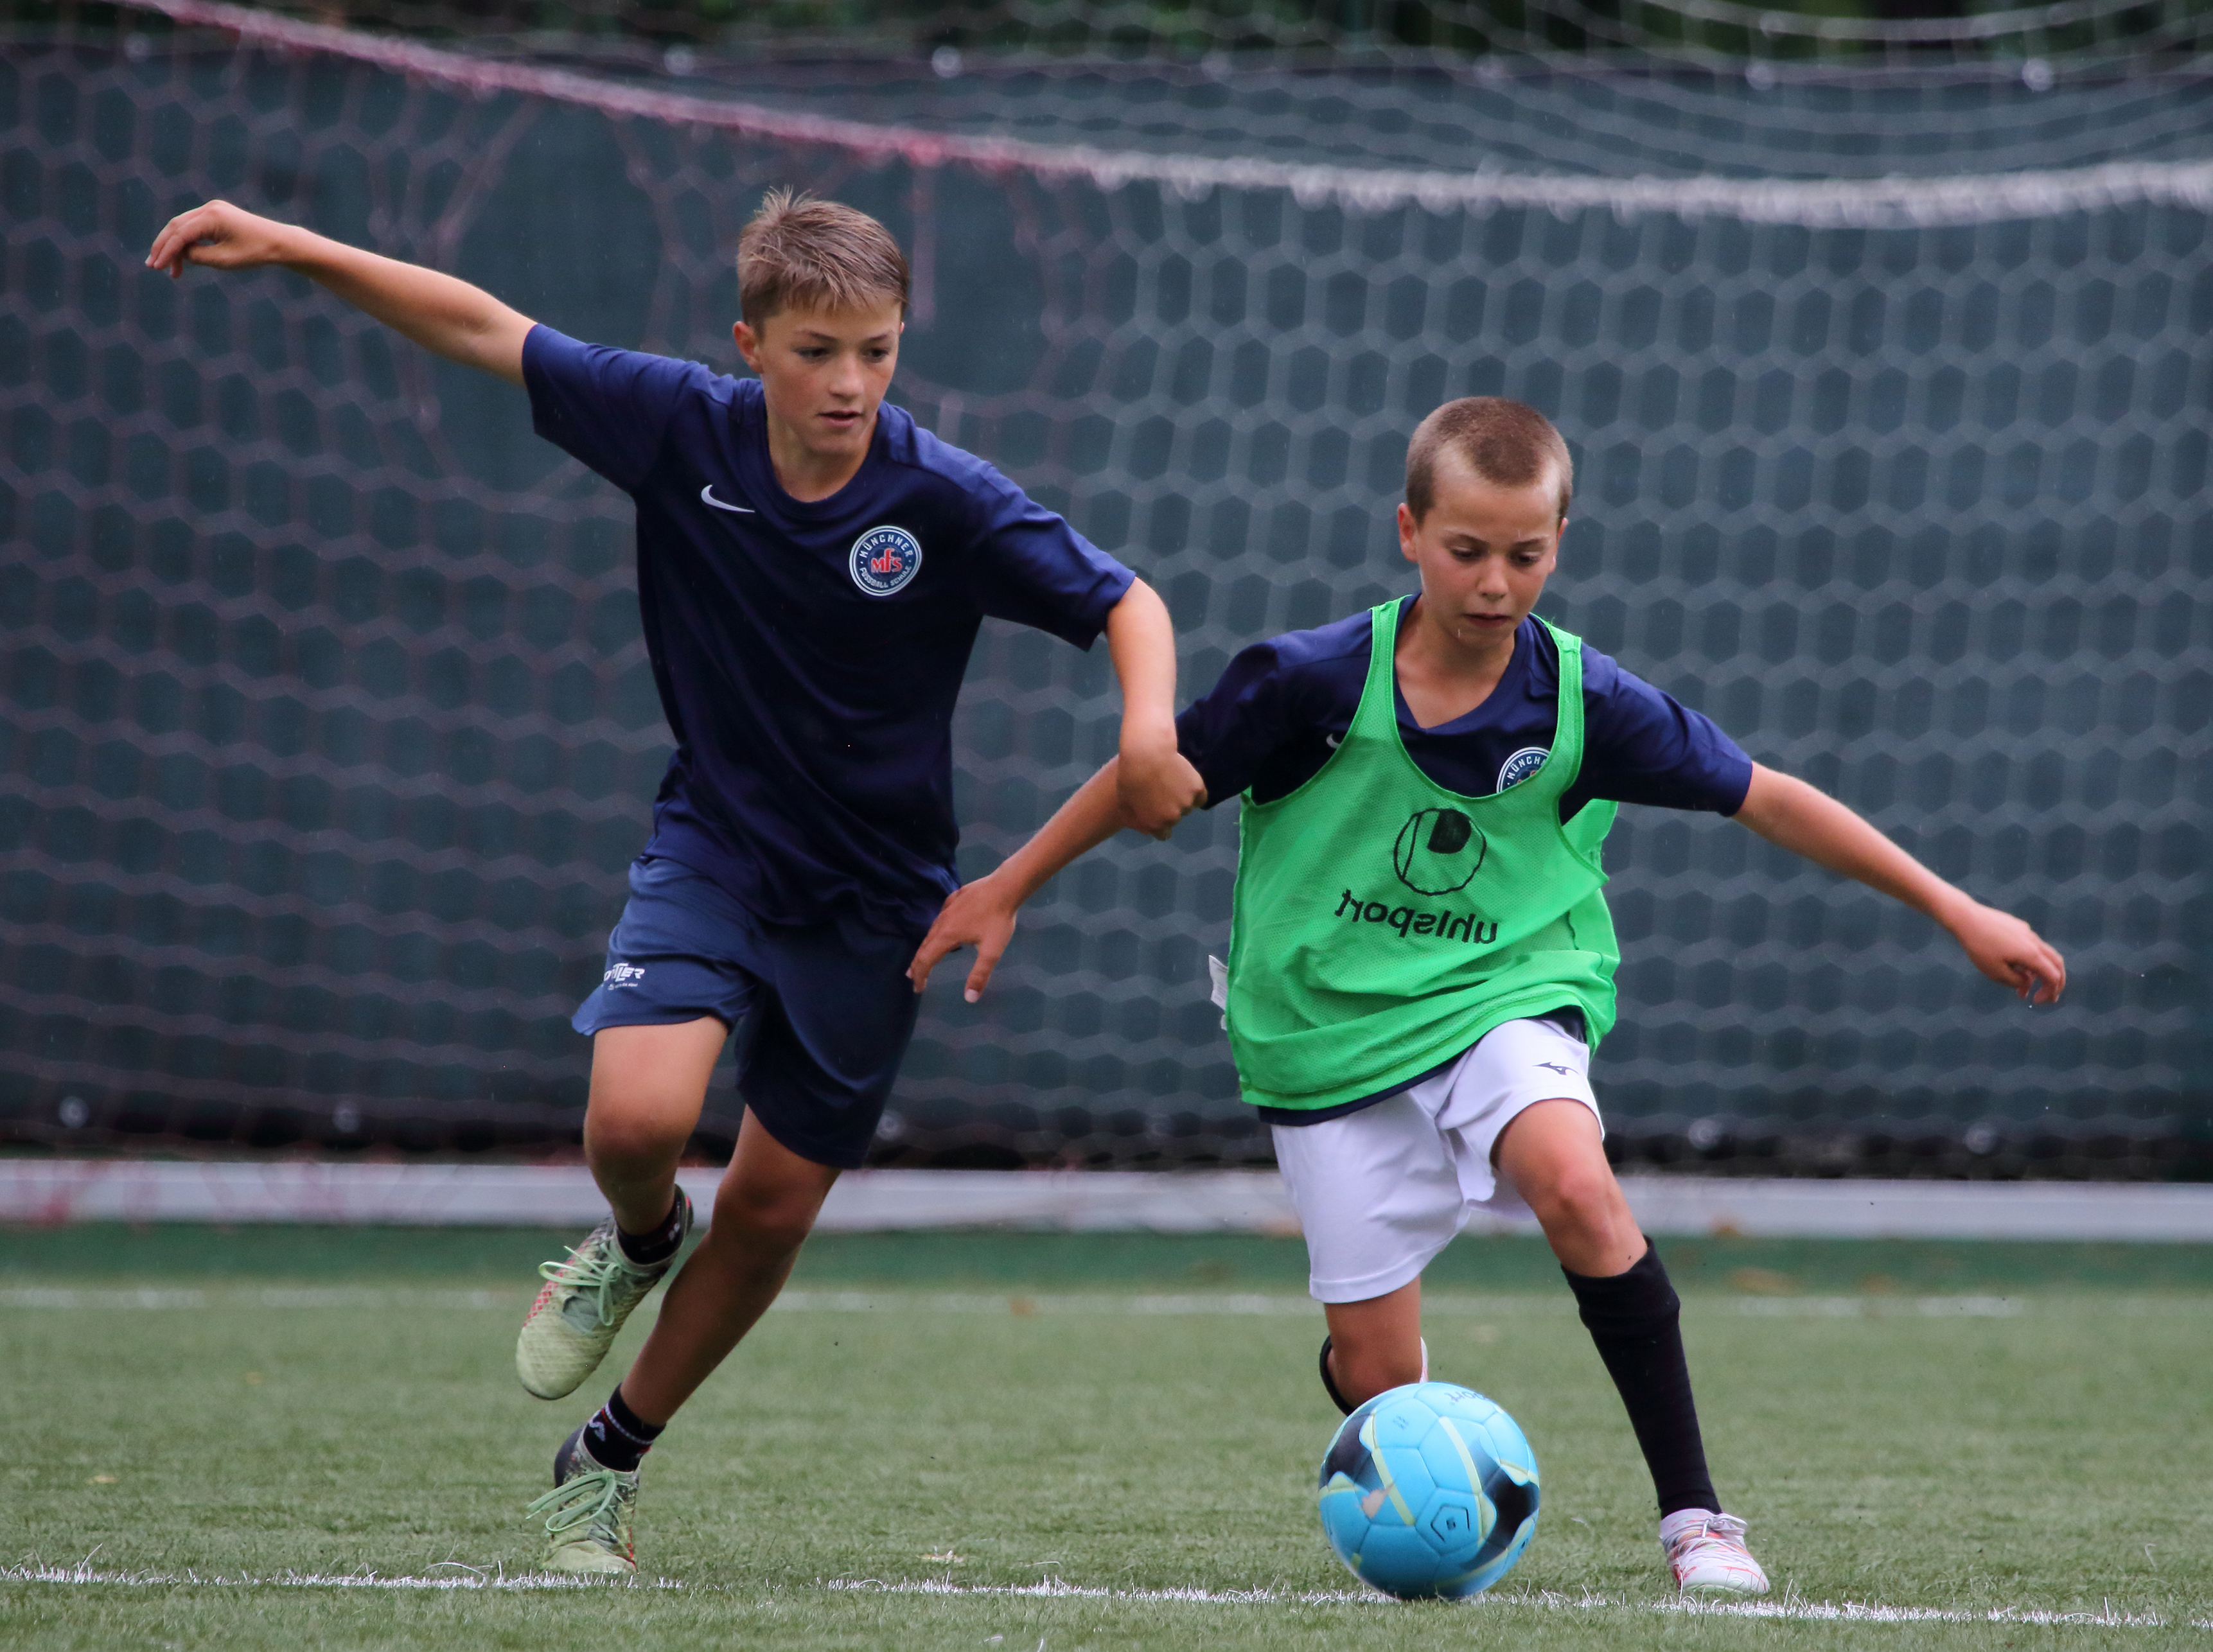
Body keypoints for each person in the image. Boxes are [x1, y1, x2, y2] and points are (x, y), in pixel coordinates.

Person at [146, 190, 1206, 1575]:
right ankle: (639, 1235)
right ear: (750, 342)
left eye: (877, 351)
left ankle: (603, 1463)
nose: (850, 382)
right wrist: (291, 243)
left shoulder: (938, 497)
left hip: (878, 901)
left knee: (771, 1211)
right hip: (714, 842)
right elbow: (479, 320)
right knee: (637, 1114)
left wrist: (1144, 728)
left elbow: (1126, 601)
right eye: (818, 349)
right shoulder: (674, 425)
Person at [909, 396, 2067, 1596]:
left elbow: (1767, 796)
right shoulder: (1305, 682)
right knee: (1372, 1373)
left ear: (1558, 543)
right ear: (1408, 532)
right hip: (1324, 1034)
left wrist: (1955, 908)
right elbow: (1148, 781)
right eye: (1467, 550)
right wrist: (1007, 883)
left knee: (1573, 1182)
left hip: (1505, 992)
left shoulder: (1581, 700)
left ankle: (1697, 1522)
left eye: (1525, 553)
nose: (1496, 581)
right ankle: (1375, 1385)